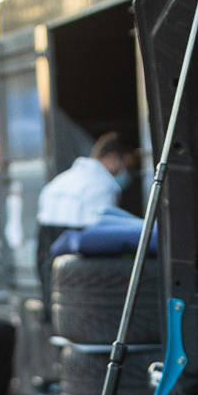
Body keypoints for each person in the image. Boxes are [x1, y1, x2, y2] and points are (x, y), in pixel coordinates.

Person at [33, 129, 140, 326]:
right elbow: (104, 241)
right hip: (82, 289)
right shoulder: (102, 186)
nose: (128, 172)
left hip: (51, 279)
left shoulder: (59, 182)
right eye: (127, 164)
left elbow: (42, 251)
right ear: (113, 158)